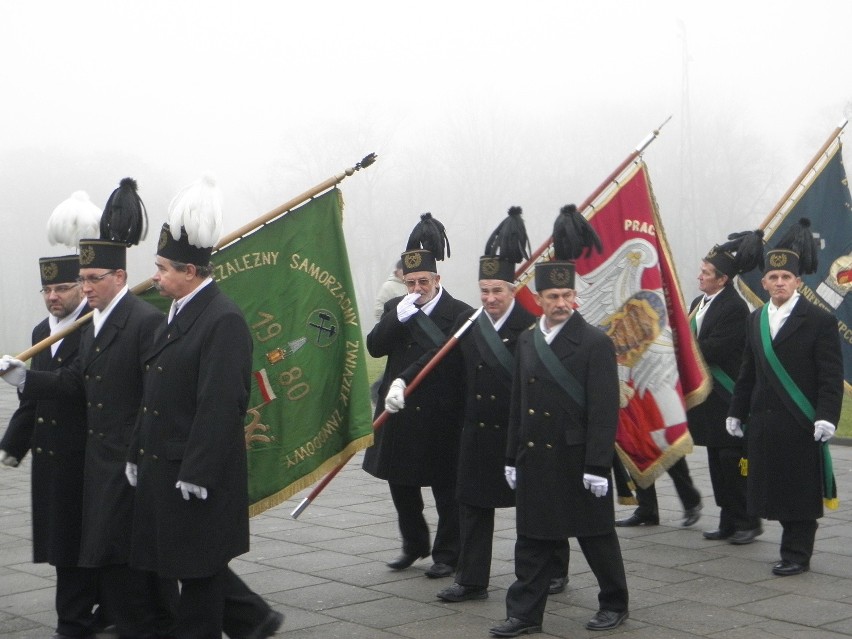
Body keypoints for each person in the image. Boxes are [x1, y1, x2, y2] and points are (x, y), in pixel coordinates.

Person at [1, 179, 177, 638]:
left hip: (106, 455)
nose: (66, 293)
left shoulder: (120, 324)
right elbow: (55, 390)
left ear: (114, 279)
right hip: (75, 459)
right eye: (62, 286)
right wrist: (16, 431)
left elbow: (117, 391)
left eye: (81, 282)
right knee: (84, 553)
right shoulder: (67, 325)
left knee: (109, 555)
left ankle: (109, 620)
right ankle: (100, 619)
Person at [126, 176, 284, 639]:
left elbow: (220, 405)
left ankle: (243, 624)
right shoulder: (171, 316)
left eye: (162, 268)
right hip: (164, 465)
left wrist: (197, 471)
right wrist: (137, 450)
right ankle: (254, 623)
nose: (155, 277)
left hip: (195, 474)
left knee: (196, 574)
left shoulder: (223, 321)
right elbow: (152, 397)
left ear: (189, 272)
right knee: (193, 567)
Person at [385, 207, 569, 602]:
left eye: (497, 291)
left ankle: (553, 569)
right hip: (478, 430)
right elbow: (438, 357)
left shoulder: (532, 329)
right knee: (472, 507)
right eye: (484, 291)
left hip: (520, 431)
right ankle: (471, 579)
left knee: (536, 506)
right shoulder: (470, 323)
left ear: (513, 291)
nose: (489, 298)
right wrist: (403, 380)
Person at [491, 205, 628, 638]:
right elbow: (519, 401)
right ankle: (525, 613)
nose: (561, 304)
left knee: (595, 536)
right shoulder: (528, 340)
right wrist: (512, 455)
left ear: (575, 297)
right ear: (540, 300)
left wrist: (597, 465)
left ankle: (614, 602)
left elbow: (605, 409)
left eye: (567, 297)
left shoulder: (594, 342)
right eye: (553, 298)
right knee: (532, 539)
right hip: (535, 457)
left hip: (576, 457)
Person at [0, 192, 101, 639]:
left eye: (62, 288)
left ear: (81, 287)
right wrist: (11, 445)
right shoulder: (43, 331)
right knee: (66, 546)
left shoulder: (96, 326)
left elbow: (75, 385)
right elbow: (33, 400)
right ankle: (98, 615)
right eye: (47, 290)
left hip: (88, 455)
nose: (53, 297)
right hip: (52, 459)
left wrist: (24, 379)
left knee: (77, 547)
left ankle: (74, 625)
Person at [727, 218, 843, 576]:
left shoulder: (819, 320)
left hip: (800, 419)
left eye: (785, 278)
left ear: (797, 281)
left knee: (800, 490)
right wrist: (736, 411)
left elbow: (830, 376)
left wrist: (826, 416)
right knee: (772, 486)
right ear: (763, 283)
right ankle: (783, 544)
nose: (779, 283)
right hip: (764, 420)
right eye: (773, 278)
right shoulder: (755, 319)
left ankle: (796, 553)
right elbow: (747, 371)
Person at [364, 212, 472, 578]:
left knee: (446, 489)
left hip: (441, 413)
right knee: (401, 484)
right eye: (410, 283)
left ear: (437, 279)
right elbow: (375, 347)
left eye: (423, 282)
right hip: (400, 411)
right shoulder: (399, 308)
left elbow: (453, 362)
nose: (417, 289)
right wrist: (398, 317)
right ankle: (414, 544)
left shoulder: (460, 313)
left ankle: (448, 553)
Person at [689, 230, 763, 544]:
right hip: (709, 398)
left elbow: (715, 348)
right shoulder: (698, 302)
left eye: (706, 273)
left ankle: (749, 520)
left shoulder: (734, 307)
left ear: (722, 279)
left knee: (734, 461)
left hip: (728, 394)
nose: (700, 276)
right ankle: (727, 518)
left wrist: (683, 346)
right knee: (717, 461)